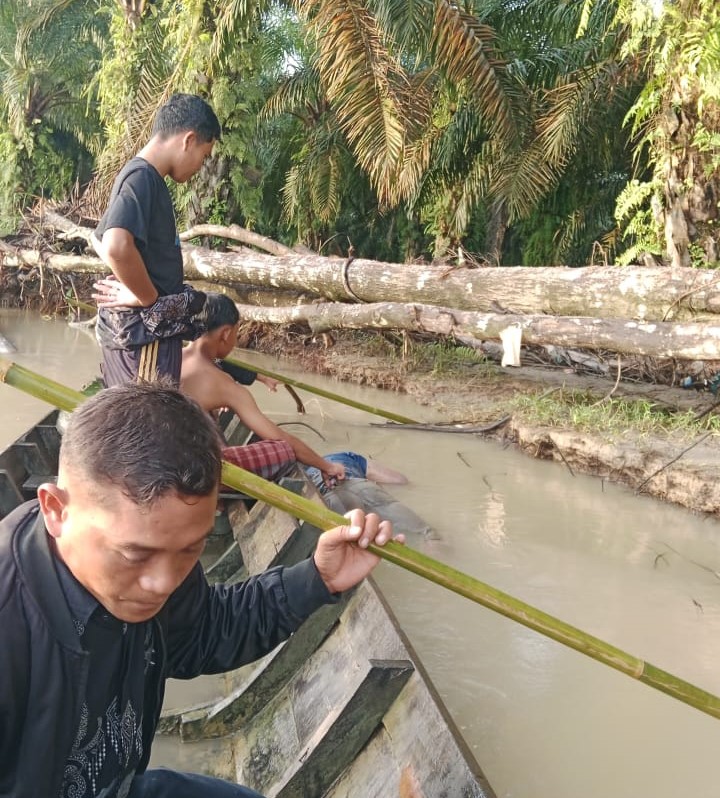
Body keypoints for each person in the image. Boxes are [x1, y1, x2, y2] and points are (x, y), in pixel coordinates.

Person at [0, 382, 402, 798]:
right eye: (134, 555)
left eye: (190, 550)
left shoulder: (162, 557)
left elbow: (203, 632)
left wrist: (316, 578)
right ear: (56, 510)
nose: (162, 583)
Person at [91, 93, 222, 388]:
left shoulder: (143, 179)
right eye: (203, 156)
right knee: (147, 425)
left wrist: (135, 287)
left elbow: (97, 238)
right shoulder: (142, 178)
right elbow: (115, 246)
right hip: (144, 341)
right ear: (188, 140)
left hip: (143, 339)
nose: (200, 167)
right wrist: (147, 298)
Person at [181, 293, 347, 486]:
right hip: (195, 475)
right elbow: (281, 438)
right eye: (236, 331)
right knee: (284, 449)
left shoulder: (170, 355)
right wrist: (327, 466)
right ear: (226, 333)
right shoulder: (225, 386)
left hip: (157, 464)